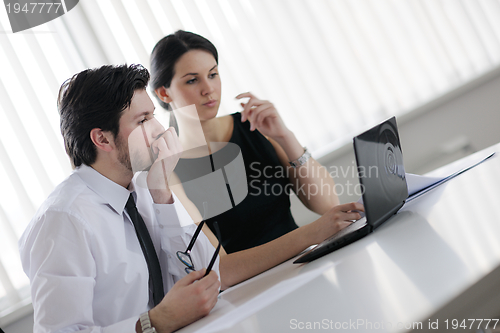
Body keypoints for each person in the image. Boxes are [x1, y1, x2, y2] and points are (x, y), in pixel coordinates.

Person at [150, 30, 364, 288]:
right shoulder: (169, 169)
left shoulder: (252, 126)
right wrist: (313, 232)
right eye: (192, 80)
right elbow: (222, 270)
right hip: (250, 295)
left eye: (213, 74)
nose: (209, 89)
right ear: (164, 93)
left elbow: (327, 203)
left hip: (310, 270)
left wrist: (285, 136)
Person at [19, 64, 221, 333]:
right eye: (143, 120)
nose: (160, 129)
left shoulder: (146, 189)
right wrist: (154, 323)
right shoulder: (64, 220)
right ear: (102, 139)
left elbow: (205, 277)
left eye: (153, 116)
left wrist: (162, 194)